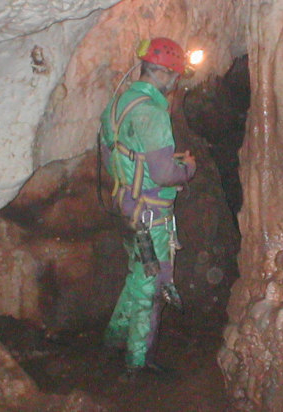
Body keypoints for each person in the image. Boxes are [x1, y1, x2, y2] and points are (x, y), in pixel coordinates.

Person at [99, 37, 196, 374]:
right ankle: (137, 363)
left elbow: (113, 157)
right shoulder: (153, 113)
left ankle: (114, 339)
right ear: (165, 74)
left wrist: (135, 175)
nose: (175, 83)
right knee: (151, 288)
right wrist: (188, 168)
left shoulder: (117, 105)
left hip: (126, 205)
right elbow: (165, 174)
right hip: (150, 215)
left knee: (136, 275)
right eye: (176, 76)